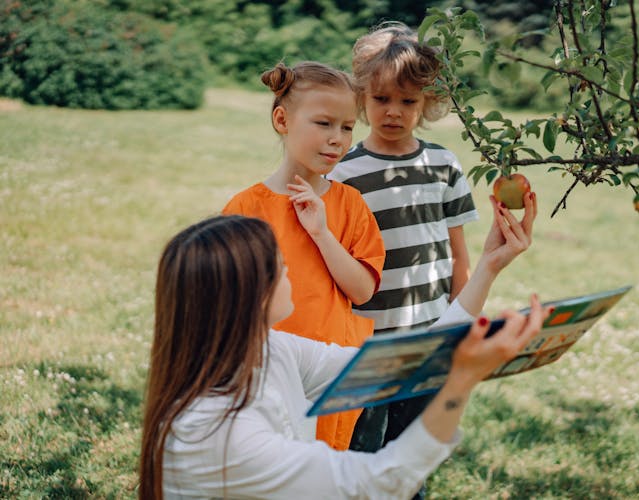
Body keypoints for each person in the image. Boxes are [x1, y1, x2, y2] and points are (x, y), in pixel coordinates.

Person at [139, 202, 544, 499]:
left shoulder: (267, 349)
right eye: (280, 265)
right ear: (250, 296)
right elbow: (380, 483)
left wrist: (488, 267)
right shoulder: (214, 434)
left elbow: (399, 365)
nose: (289, 272)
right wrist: (460, 384)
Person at [327, 22, 539, 460]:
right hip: (366, 344)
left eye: (408, 101)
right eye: (381, 99)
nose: (394, 111)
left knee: (412, 454)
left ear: (427, 103)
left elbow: (457, 253)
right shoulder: (342, 171)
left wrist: (457, 329)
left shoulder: (443, 164)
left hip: (430, 335)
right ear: (362, 96)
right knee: (361, 455)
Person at [222, 61, 385, 450]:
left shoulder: (351, 204)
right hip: (265, 377)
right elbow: (226, 306)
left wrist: (321, 233)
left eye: (347, 127)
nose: (338, 139)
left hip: (330, 376)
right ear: (282, 120)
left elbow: (362, 291)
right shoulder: (246, 208)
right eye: (324, 123)